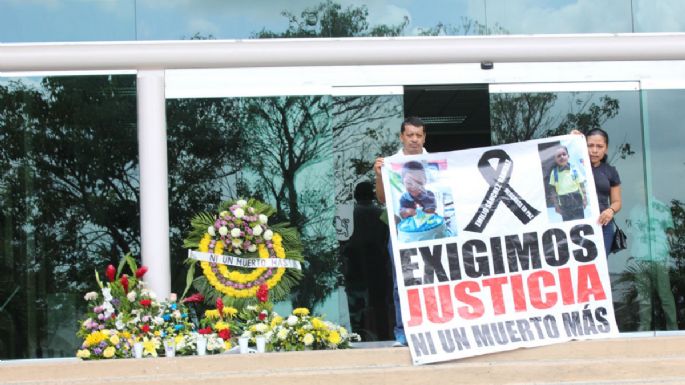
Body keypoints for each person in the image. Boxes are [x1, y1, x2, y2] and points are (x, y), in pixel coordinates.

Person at [374, 116, 427, 347]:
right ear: (401, 136)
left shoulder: (437, 160)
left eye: (419, 135)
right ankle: (403, 333)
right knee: (401, 283)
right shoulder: (391, 163)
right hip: (401, 231)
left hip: (433, 231)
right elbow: (383, 199)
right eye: (410, 134)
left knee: (434, 279)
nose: (414, 139)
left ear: (424, 137)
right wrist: (378, 176)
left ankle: (434, 328)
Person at [628, 197, 678, 330]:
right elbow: (632, 233)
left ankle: (673, 329)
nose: (639, 191)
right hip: (640, 257)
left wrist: (666, 250)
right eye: (636, 189)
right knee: (643, 297)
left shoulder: (661, 207)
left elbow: (670, 232)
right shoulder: (634, 210)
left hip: (658, 257)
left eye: (640, 187)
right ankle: (644, 328)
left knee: (665, 294)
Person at [572, 128, 622, 253]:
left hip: (603, 225)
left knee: (601, 266)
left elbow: (617, 202)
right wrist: (571, 140)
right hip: (575, 223)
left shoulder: (610, 171)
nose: (594, 150)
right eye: (590, 145)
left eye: (599, 146)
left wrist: (610, 211)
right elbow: (559, 155)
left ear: (606, 148)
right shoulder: (574, 166)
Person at [548, 145, 587, 221]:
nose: (562, 157)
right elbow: (552, 190)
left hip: (576, 198)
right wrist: (556, 205)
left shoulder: (574, 169)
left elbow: (581, 184)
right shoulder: (554, 172)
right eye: (558, 156)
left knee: (580, 222)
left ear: (568, 156)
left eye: (564, 154)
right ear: (555, 160)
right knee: (568, 223)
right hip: (564, 201)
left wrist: (585, 199)